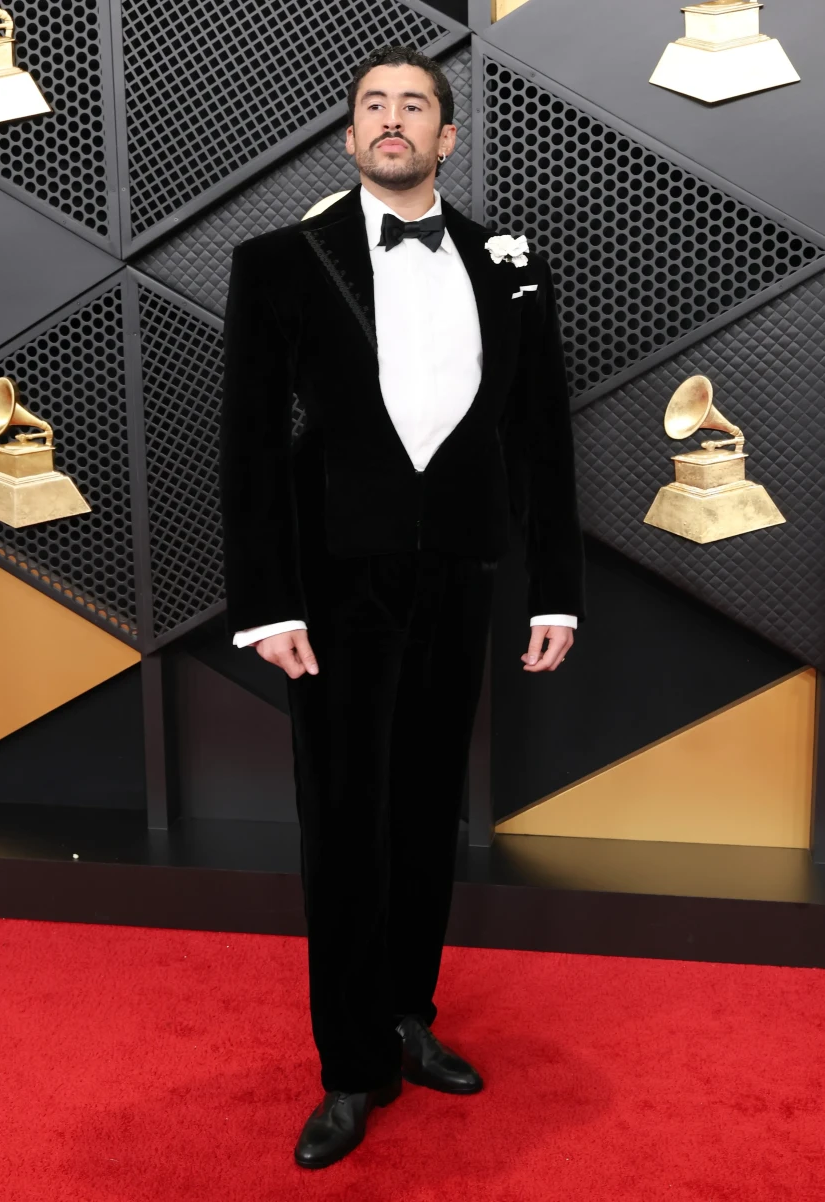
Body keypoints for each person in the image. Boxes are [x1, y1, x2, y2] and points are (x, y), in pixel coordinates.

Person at [218, 43, 585, 1170]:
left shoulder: (509, 265)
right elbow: (248, 444)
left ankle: (405, 1018)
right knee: (345, 818)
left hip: (459, 575)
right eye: (372, 104)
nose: (392, 119)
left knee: (427, 806)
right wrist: (266, 602)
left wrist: (557, 591)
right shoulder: (278, 263)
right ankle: (349, 1064)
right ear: (349, 136)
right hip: (335, 584)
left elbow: (541, 438)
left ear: (445, 136)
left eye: (413, 105)